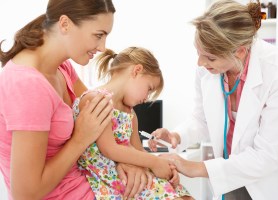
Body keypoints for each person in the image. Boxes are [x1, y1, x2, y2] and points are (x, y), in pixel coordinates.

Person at [0, 0, 154, 199]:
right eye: (98, 35)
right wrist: (79, 139)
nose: (102, 47)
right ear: (65, 24)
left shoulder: (61, 68)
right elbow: (25, 194)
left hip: (87, 182)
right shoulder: (28, 85)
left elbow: (99, 119)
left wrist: (123, 160)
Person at [148, 0, 278, 200]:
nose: (200, 63)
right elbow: (201, 118)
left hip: (271, 184)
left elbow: (267, 156)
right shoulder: (207, 69)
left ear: (240, 51)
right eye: (198, 53)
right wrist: (178, 135)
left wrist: (193, 167)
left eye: (210, 58)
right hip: (229, 176)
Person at [73, 47, 193, 199]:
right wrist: (155, 163)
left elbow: (138, 150)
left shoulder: (130, 113)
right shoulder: (96, 100)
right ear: (136, 71)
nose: (146, 98)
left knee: (182, 193)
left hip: (128, 172)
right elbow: (110, 149)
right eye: (149, 89)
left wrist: (167, 168)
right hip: (107, 178)